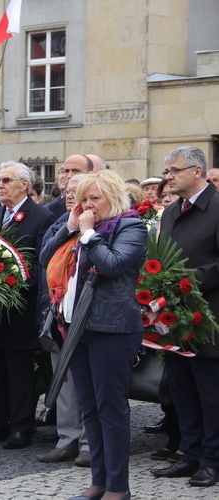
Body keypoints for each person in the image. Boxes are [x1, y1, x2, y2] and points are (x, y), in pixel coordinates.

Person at [41, 169, 146, 500]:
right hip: (78, 329)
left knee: (111, 409)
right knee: (90, 409)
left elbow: (112, 264)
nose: (87, 205)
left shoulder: (130, 226)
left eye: (94, 198)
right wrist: (70, 229)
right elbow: (46, 259)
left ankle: (118, 487)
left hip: (112, 330)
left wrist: (87, 234)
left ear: (113, 198)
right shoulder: (80, 229)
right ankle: (98, 481)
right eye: (83, 199)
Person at [0, 162, 56, 450]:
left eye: (6, 180)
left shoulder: (41, 217)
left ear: (24, 185)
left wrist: (12, 285)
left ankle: (21, 425)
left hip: (20, 307)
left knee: (19, 371)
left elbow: (43, 263)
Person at [151, 146, 219, 488]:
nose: (168, 177)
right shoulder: (173, 211)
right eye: (167, 171)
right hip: (174, 318)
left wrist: (191, 282)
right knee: (182, 390)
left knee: (211, 393)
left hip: (208, 317)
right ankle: (190, 454)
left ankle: (212, 460)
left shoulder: (218, 207)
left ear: (197, 171)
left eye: (175, 170)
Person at [36, 173, 91, 467]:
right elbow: (45, 257)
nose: (69, 196)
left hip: (90, 315)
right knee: (65, 381)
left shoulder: (109, 222)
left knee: (88, 383)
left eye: (76, 191)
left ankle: (89, 443)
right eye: (67, 191)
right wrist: (69, 228)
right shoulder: (61, 221)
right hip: (59, 314)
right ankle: (67, 439)